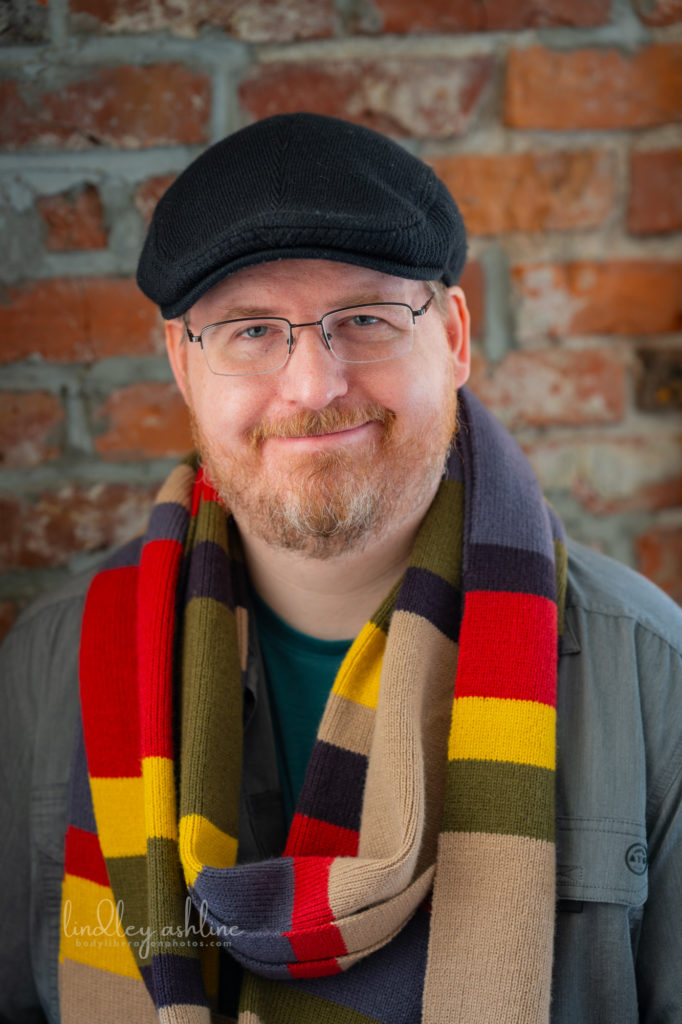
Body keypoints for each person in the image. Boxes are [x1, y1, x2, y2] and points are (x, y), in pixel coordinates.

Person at [1, 113, 680, 1024]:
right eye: (249, 330)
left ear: (455, 340)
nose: (314, 386)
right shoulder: (47, 673)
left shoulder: (653, 676)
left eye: (364, 318)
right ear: (180, 364)